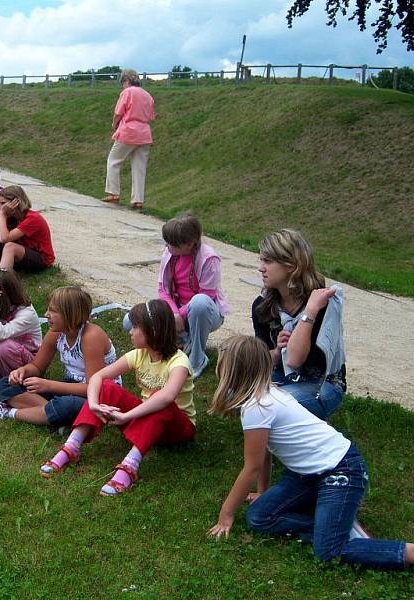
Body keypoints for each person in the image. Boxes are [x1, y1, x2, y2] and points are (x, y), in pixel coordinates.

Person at [207, 335, 414, 570]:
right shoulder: (262, 398)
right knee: (258, 516)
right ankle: (333, 524)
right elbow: (264, 454)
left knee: (329, 551)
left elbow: (251, 467)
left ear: (234, 372)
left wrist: (226, 514)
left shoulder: (258, 407)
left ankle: (406, 551)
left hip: (342, 470)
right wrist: (262, 492)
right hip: (305, 475)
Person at [40, 299, 195, 497]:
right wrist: (95, 404)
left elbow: (167, 397)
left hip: (177, 429)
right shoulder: (139, 354)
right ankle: (71, 447)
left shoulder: (179, 361)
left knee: (160, 400)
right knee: (106, 386)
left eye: (136, 327)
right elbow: (98, 377)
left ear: (153, 331)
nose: (130, 331)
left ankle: (129, 467)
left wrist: (126, 416)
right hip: (145, 418)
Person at [0, 286, 119, 430]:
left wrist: (48, 385)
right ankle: (53, 417)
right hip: (71, 386)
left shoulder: (91, 336)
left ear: (71, 314)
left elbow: (94, 388)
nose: (46, 314)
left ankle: (9, 412)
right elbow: (37, 367)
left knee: (67, 405)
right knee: (6, 383)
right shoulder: (56, 332)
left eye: (53, 311)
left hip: (99, 397)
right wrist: (23, 371)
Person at [252, 229, 346, 420]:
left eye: (267, 261)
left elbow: (294, 360)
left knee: (271, 407)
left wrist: (309, 312)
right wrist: (277, 352)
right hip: (281, 376)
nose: (261, 268)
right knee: (236, 392)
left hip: (322, 383)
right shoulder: (262, 305)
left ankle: (306, 421)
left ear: (291, 265)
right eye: (261, 260)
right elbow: (263, 358)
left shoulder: (322, 304)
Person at [125, 214, 229, 379]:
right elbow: (163, 289)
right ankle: (177, 343)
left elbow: (208, 294)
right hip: (176, 312)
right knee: (130, 321)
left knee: (199, 303)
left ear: (189, 244)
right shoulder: (169, 253)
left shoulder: (209, 259)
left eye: (172, 243)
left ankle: (196, 359)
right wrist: (173, 314)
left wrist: (180, 315)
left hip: (203, 312)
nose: (167, 246)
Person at [102, 68, 155, 210]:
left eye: (122, 83)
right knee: (139, 167)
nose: (122, 86)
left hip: (128, 131)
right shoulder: (148, 95)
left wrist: (114, 124)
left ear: (126, 80)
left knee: (113, 160)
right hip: (144, 133)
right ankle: (137, 200)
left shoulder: (127, 92)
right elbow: (150, 116)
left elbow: (118, 112)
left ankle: (114, 193)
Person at [0, 185, 55, 272]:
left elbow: (4, 239)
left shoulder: (33, 218)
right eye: (0, 204)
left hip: (41, 258)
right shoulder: (9, 215)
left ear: (16, 203)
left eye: (3, 204)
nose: (1, 207)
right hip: (21, 254)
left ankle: (2, 281)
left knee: (10, 247)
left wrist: (3, 215)